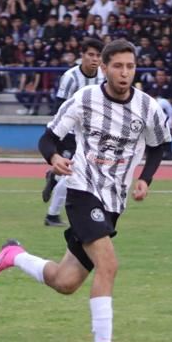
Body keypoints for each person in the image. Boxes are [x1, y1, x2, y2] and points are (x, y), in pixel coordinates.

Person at [0, 39, 171, 342]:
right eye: (118, 66)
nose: (125, 73)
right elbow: (47, 138)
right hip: (82, 190)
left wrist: (145, 179)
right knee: (108, 264)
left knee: (66, 282)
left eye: (130, 66)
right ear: (105, 68)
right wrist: (53, 157)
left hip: (113, 200)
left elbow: (158, 146)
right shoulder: (84, 100)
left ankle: (15, 255)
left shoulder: (148, 107)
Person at [42, 37, 104, 227]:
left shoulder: (103, 76)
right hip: (69, 134)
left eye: (98, 56)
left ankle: (55, 178)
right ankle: (52, 215)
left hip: (91, 134)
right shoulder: (70, 77)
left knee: (81, 172)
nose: (94, 59)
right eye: (90, 55)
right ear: (82, 56)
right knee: (73, 172)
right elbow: (60, 107)